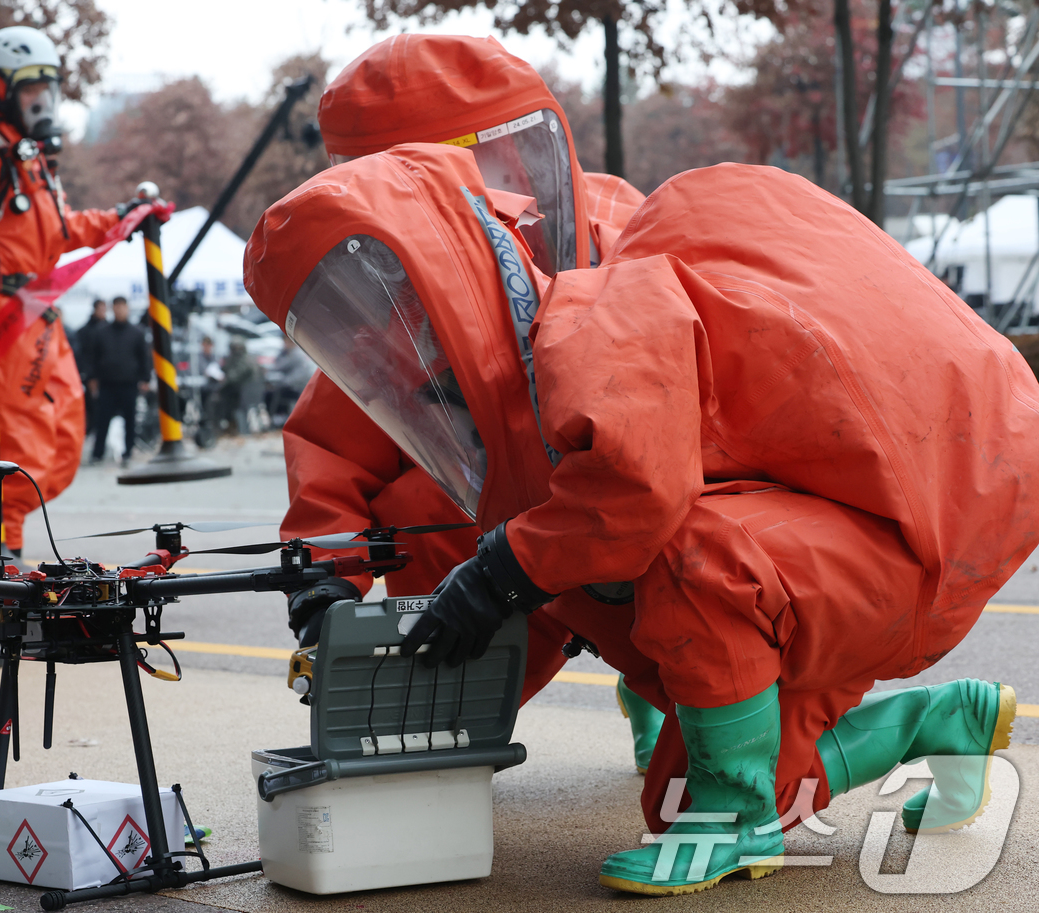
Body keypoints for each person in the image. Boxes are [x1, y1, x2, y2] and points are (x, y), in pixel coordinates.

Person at [245, 143, 1039, 896]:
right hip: (833, 544)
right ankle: (942, 720)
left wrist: (495, 575)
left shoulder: (600, 312)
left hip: (900, 542)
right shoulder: (528, 353)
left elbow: (636, 493)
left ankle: (735, 820)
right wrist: (324, 568)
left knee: (681, 557)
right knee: (672, 797)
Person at [277, 34, 662, 774]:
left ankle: (655, 683)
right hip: (507, 527)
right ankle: (451, 704)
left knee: (691, 643)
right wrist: (326, 580)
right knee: (421, 502)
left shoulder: (623, 236)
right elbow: (338, 442)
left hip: (619, 514)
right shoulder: (392, 297)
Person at [0, 26, 140, 553]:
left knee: (60, 455)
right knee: (22, 459)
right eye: (29, 90)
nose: (41, 102)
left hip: (37, 316)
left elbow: (60, 229)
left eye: (48, 91)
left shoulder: (28, 157)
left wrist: (118, 220)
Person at [82, 296, 151, 464]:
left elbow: (145, 357)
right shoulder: (101, 332)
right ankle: (98, 453)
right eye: (117, 307)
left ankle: (127, 452)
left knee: (130, 420)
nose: (120, 310)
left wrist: (145, 378)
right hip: (107, 384)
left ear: (127, 309)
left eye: (123, 307)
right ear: (113, 309)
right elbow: (93, 357)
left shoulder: (137, 332)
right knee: (102, 420)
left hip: (129, 383)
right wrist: (91, 378)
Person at [73, 299, 110, 435]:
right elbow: (85, 356)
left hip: (109, 378)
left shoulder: (110, 329)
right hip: (91, 378)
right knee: (92, 409)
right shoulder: (85, 331)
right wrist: (89, 377)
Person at [266, 336, 315, 424]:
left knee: (273, 395)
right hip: (287, 385)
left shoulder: (297, 355)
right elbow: (276, 367)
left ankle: (281, 418)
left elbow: (300, 375)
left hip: (297, 387)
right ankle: (279, 417)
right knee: (269, 394)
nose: (285, 344)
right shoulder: (284, 353)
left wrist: (283, 382)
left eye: (287, 341)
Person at [217, 336, 260, 435]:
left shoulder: (245, 359)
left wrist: (223, 381)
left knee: (223, 399)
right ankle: (230, 426)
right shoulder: (237, 358)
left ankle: (240, 430)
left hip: (246, 394)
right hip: (240, 392)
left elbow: (234, 376)